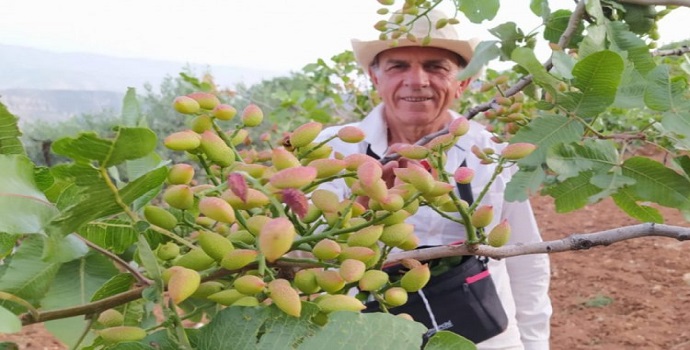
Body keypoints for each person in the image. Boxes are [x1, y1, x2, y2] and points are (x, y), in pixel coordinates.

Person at [314, 8, 552, 350]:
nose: (417, 81)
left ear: (463, 83)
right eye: (398, 66)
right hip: (365, 338)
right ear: (374, 77)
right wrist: (361, 206)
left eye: (435, 67)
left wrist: (534, 343)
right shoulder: (332, 149)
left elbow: (526, 258)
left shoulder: (492, 153)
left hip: (486, 339)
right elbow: (309, 256)